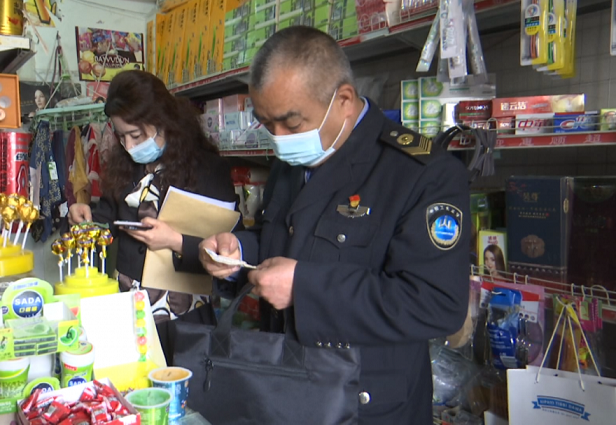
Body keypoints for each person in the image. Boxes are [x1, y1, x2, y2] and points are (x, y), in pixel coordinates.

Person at [199, 27, 470, 424]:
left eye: (291, 124)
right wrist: (239, 251)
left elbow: (436, 304)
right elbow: (288, 237)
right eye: (267, 124)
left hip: (366, 404)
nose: (279, 139)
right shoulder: (293, 163)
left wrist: (304, 288)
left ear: (342, 100)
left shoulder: (421, 172)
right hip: (283, 386)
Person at [68, 70, 237, 362]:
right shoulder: (126, 166)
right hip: (129, 307)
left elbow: (227, 248)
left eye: (136, 135)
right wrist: (88, 217)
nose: (129, 146)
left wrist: (175, 241)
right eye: (122, 137)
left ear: (164, 122)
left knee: (182, 381)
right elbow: (110, 214)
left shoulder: (208, 170)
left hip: (183, 313)